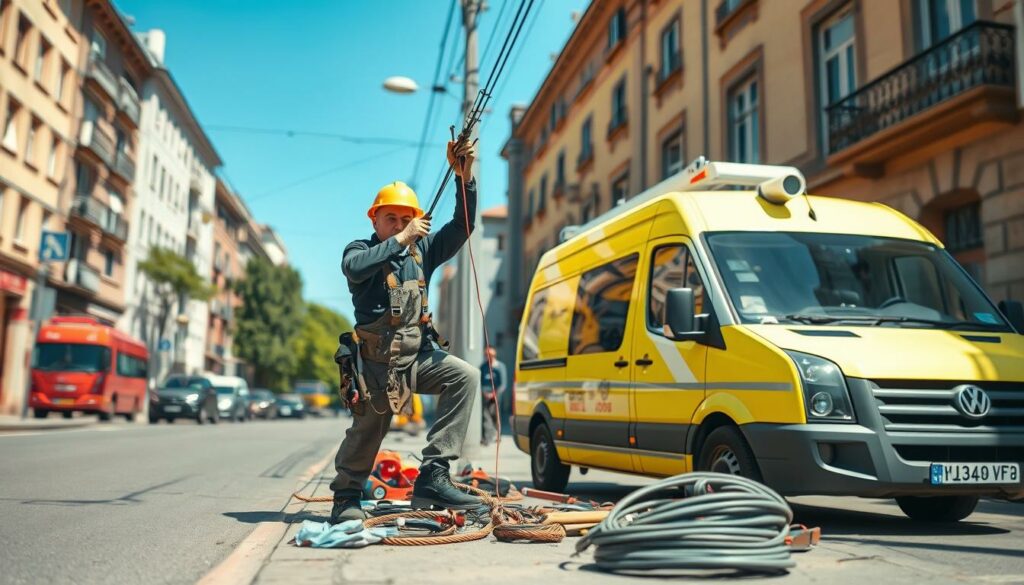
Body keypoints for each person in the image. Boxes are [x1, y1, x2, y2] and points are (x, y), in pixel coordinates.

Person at [329, 141, 483, 524]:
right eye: (391, 219)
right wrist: (400, 239)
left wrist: (466, 179)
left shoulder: (423, 251)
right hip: (377, 365)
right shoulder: (360, 248)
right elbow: (354, 267)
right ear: (375, 220)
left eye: (405, 219)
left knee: (465, 377)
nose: (398, 226)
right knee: (368, 431)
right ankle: (346, 495)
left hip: (418, 357)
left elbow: (463, 226)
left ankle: (433, 475)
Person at [479, 347, 507, 446]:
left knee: (495, 415)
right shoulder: (483, 367)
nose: (488, 357)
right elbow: (480, 381)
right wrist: (484, 392)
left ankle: (498, 434)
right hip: (485, 394)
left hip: (496, 395)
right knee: (485, 416)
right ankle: (486, 438)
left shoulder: (500, 366)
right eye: (486, 355)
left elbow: (503, 384)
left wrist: (494, 394)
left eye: (490, 355)